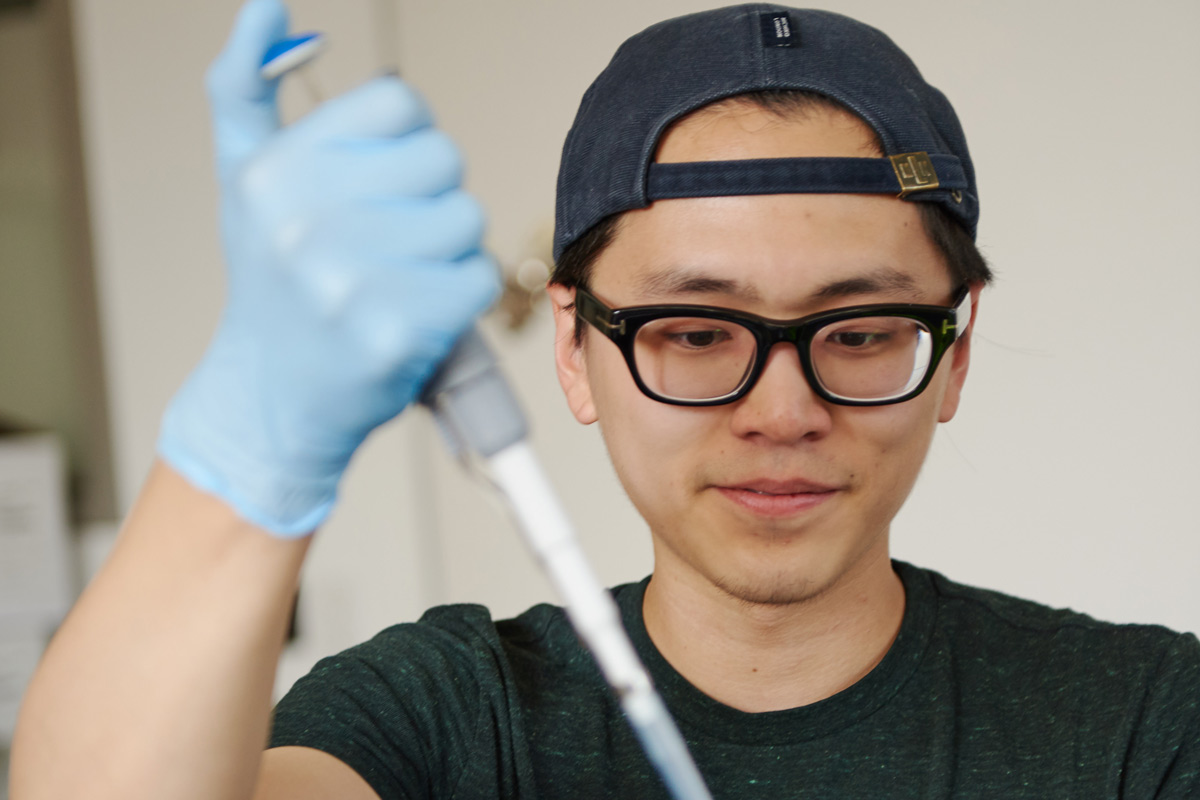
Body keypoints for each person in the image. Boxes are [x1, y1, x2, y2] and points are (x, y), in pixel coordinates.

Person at [11, 1, 1199, 798]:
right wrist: (252, 428)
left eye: (861, 330)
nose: (781, 409)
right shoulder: (448, 720)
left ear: (956, 349)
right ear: (576, 350)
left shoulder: (1143, 725)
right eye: (692, 330)